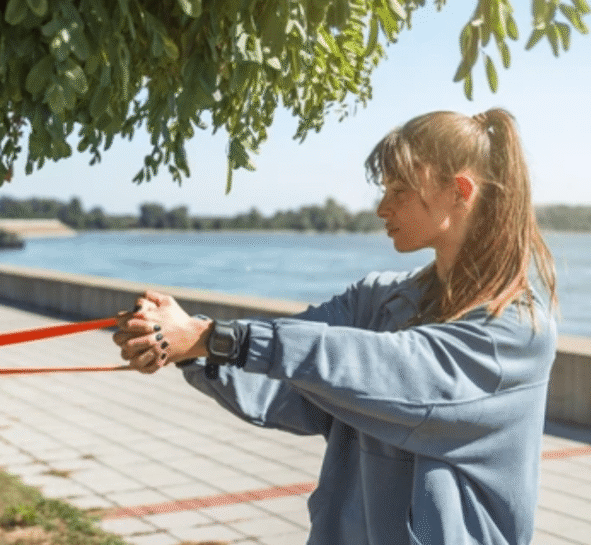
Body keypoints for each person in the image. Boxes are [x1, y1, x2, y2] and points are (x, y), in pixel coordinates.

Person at [112, 108, 558, 545]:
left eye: (399, 191)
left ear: (460, 191)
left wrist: (214, 338)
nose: (383, 207)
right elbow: (286, 383)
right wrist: (186, 345)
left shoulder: (516, 330)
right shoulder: (377, 299)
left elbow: (392, 371)